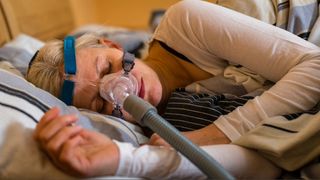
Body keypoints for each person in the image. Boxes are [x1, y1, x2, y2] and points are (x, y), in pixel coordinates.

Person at [27, 0, 320, 178]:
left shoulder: (185, 23)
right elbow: (269, 157)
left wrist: (206, 137)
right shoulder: (177, 118)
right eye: (103, 103)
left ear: (114, 45)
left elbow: (315, 66)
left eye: (106, 68)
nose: (121, 88)